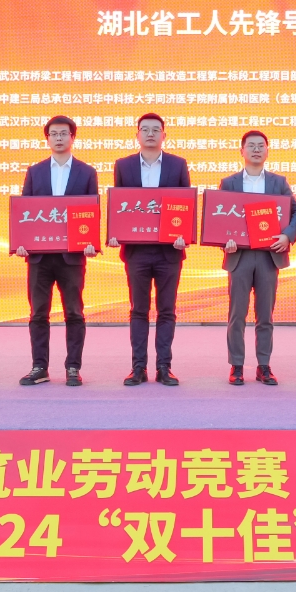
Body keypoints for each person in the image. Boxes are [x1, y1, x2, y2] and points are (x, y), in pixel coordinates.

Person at [14, 115, 99, 387]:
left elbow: (91, 212)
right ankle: (39, 366)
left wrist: (91, 242)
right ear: (47, 138)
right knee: (38, 313)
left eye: (64, 133)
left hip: (71, 257)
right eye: (54, 133)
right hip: (39, 257)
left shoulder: (87, 172)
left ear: (73, 137)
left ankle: (73, 367)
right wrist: (21, 242)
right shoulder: (35, 172)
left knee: (74, 312)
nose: (59, 138)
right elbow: (25, 211)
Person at [107, 113, 191, 387]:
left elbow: (185, 204)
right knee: (139, 310)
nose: (151, 134)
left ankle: (164, 367)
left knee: (167, 310)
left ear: (164, 135)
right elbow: (120, 204)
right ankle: (138, 367)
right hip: (137, 252)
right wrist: (115, 233)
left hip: (169, 252)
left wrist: (185, 235)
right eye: (145, 129)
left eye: (156, 130)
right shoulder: (124, 165)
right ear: (137, 135)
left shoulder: (178, 164)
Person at [220, 130, 296, 386]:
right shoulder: (229, 183)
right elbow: (219, 217)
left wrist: (287, 236)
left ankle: (264, 366)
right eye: (251, 146)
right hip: (240, 256)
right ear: (241, 151)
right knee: (237, 314)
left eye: (261, 146)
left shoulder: (279, 182)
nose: (256, 150)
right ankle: (236, 366)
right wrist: (225, 240)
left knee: (265, 315)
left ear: (267, 151)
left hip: (269, 256)